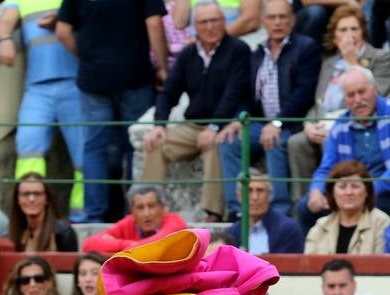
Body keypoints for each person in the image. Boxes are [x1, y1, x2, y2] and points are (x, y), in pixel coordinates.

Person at [56, 0, 169, 223]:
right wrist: (163, 68)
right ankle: (135, 215)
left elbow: (62, 31)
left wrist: (87, 57)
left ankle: (94, 216)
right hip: (135, 75)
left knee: (94, 147)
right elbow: (155, 24)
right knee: (136, 147)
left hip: (94, 78)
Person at [142, 0, 252, 221]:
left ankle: (212, 213)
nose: (210, 26)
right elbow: (168, 93)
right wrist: (159, 125)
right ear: (195, 26)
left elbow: (234, 93)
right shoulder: (189, 53)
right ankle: (148, 207)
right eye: (203, 22)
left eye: (215, 20)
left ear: (223, 22)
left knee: (217, 145)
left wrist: (214, 127)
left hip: (225, 123)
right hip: (193, 125)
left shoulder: (238, 49)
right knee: (156, 144)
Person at [216, 0, 321, 218]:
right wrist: (238, 120)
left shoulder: (306, 47)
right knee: (229, 140)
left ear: (292, 21)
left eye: (283, 17)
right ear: (263, 21)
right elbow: (246, 96)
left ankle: (279, 211)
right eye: (272, 17)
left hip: (294, 123)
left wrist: (277, 122)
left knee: (273, 140)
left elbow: (304, 93)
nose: (278, 22)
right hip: (261, 121)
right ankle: (238, 210)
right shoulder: (257, 54)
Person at [287, 4, 390, 200]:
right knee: (296, 143)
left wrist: (353, 62)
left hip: (357, 124)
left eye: (355, 29)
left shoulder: (380, 58)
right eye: (343, 30)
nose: (349, 35)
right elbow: (318, 101)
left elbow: (379, 96)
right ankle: (305, 202)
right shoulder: (328, 63)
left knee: (332, 138)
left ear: (363, 31)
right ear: (334, 36)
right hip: (324, 122)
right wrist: (309, 124)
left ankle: (336, 200)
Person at [0, 0, 85, 221]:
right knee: (28, 147)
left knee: (85, 155)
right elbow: (3, 22)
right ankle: (30, 217)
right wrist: (5, 39)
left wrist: (64, 19)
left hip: (76, 84)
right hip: (37, 89)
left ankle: (83, 217)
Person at [298, 67, 390, 229]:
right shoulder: (340, 125)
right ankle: (316, 254)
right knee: (306, 207)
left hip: (389, 192)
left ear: (375, 90)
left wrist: (368, 190)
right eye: (351, 95)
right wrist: (316, 190)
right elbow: (326, 168)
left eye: (362, 92)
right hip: (352, 193)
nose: (358, 99)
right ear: (345, 100)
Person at [303, 161, 390, 254]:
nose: (349, 192)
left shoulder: (382, 223)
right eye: (342, 187)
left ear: (367, 192)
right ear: (332, 193)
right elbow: (309, 266)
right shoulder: (321, 227)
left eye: (355, 186)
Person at [82, 185, 187, 254]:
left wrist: (121, 246)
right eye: (140, 208)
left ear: (163, 208)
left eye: (151, 206)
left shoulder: (175, 222)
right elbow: (89, 244)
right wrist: (126, 245)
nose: (146, 213)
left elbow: (159, 242)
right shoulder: (129, 222)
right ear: (133, 212)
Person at [224, 171, 304, 253]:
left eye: (260, 190)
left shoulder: (288, 229)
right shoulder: (231, 233)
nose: (255, 197)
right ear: (238, 196)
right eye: (249, 190)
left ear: (270, 194)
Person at [7, 173, 79, 253]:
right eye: (26, 194)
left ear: (46, 198)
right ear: (17, 199)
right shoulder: (14, 233)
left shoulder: (63, 233)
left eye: (37, 194)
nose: (31, 199)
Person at [171, 0, 260, 35]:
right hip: (201, 54)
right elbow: (179, 23)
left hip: (234, 54)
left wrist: (210, 41)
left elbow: (251, 21)